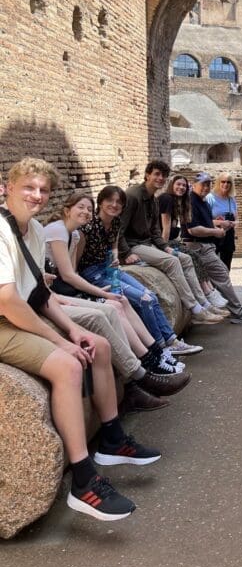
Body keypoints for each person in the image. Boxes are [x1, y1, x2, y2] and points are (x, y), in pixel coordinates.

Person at [0, 158, 160, 521]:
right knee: (68, 366)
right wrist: (59, 343)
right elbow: (7, 299)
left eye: (43, 190)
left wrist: (73, 331)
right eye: (28, 187)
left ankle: (112, 439)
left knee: (97, 344)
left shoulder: (34, 230)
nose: (36, 195)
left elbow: (39, 293)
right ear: (8, 187)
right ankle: (83, 481)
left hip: (21, 312)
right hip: (3, 320)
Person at [43, 193, 191, 410]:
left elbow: (71, 274)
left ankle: (155, 356)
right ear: (67, 209)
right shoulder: (57, 230)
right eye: (80, 207)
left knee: (121, 302)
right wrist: (101, 294)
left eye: (87, 208)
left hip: (63, 288)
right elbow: (67, 275)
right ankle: (146, 370)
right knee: (112, 306)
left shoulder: (74, 235)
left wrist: (100, 292)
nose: (85, 212)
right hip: (55, 291)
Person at [78, 186, 202, 357]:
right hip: (93, 274)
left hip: (110, 269)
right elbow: (77, 262)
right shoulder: (88, 227)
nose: (114, 205)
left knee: (150, 294)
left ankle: (171, 341)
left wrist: (114, 258)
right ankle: (160, 347)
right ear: (100, 202)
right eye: (110, 201)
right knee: (143, 300)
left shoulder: (115, 222)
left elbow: (113, 246)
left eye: (118, 202)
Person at [118, 160, 223, 324]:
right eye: (156, 174)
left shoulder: (153, 199)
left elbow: (155, 232)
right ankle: (194, 309)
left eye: (163, 175)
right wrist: (126, 253)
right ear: (147, 175)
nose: (160, 178)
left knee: (186, 259)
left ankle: (203, 303)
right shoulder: (133, 195)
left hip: (146, 243)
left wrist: (165, 247)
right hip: (133, 245)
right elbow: (118, 228)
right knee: (172, 262)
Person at [183, 172, 242, 324]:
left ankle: (233, 308)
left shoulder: (203, 201)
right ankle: (238, 311)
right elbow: (193, 229)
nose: (205, 187)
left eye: (207, 184)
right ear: (194, 185)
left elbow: (206, 223)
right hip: (198, 245)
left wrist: (220, 225)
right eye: (202, 184)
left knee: (223, 272)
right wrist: (215, 230)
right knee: (222, 276)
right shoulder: (191, 202)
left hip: (207, 244)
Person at [158, 174, 228, 308]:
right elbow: (166, 228)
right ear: (171, 184)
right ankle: (206, 298)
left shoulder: (179, 202)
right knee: (190, 258)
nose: (181, 187)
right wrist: (164, 248)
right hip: (164, 241)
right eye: (178, 184)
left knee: (195, 257)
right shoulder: (167, 199)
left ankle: (210, 294)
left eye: (184, 185)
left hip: (172, 240)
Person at [205, 172, 239, 270]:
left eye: (228, 182)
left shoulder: (231, 199)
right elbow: (204, 221)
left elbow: (237, 220)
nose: (225, 184)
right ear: (218, 182)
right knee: (212, 267)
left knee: (226, 266)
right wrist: (220, 222)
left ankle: (225, 285)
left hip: (228, 236)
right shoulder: (210, 198)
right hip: (213, 236)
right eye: (223, 181)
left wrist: (233, 223)